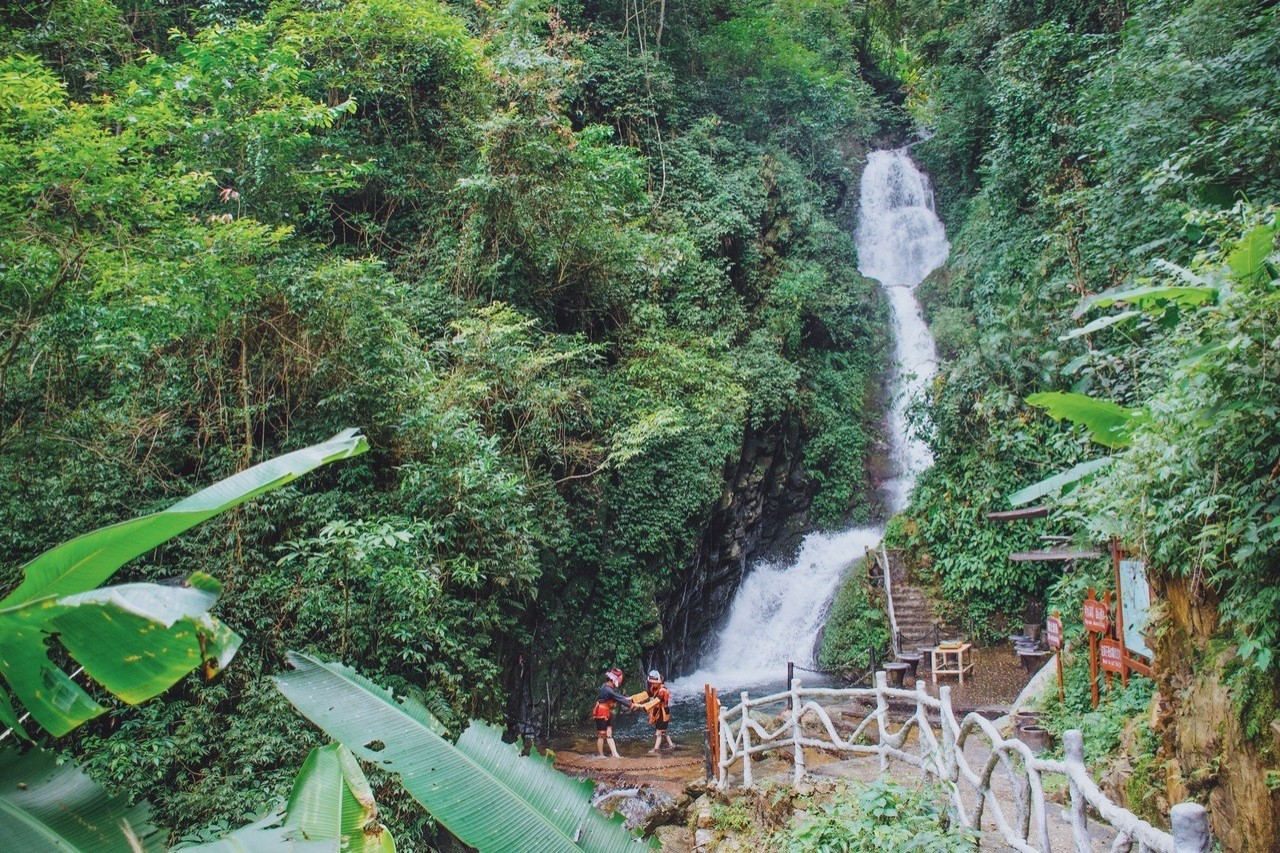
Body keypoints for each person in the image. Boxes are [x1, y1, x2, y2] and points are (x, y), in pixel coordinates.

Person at [592, 668, 636, 758]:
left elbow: (616, 696)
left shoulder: (606, 686)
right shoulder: (608, 690)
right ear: (614, 680)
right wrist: (632, 705)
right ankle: (601, 755)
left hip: (605, 711)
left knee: (609, 733)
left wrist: (627, 699)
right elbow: (617, 697)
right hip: (601, 712)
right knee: (601, 735)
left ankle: (615, 754)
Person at [633, 669, 675, 752]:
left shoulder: (663, 690)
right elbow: (646, 694)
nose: (652, 684)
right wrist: (632, 699)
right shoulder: (654, 688)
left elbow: (655, 702)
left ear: (658, 681)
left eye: (654, 682)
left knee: (659, 731)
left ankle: (655, 749)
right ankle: (671, 745)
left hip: (663, 712)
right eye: (651, 682)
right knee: (663, 730)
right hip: (659, 711)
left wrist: (641, 706)